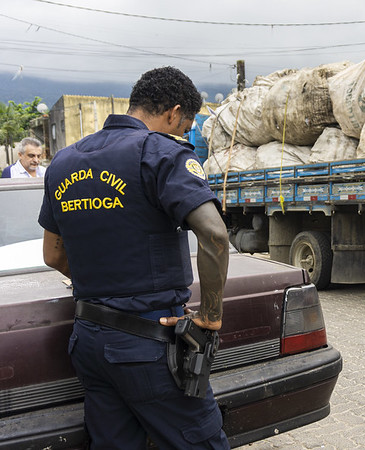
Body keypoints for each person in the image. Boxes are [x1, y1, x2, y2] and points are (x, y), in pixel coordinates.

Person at [38, 67, 231, 449]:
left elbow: (52, 254)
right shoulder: (160, 153)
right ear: (174, 113)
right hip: (147, 344)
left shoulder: (62, 162)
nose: (180, 134)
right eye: (183, 126)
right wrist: (209, 318)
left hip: (89, 341)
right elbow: (214, 234)